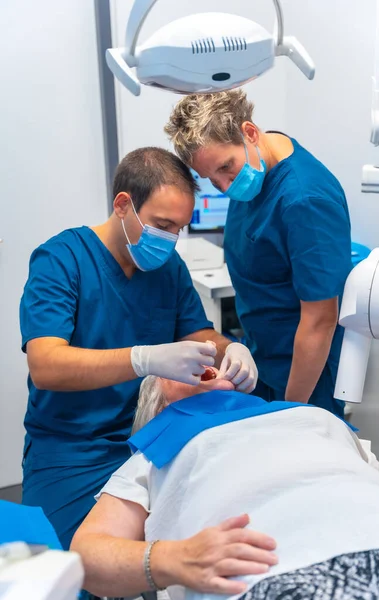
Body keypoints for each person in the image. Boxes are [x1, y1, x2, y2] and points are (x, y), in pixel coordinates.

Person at [19, 147, 258, 551]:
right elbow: (46, 365)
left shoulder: (167, 269)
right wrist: (141, 358)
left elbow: (198, 334)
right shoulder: (62, 260)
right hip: (71, 448)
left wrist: (229, 348)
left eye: (179, 228)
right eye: (162, 225)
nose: (170, 240)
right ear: (123, 205)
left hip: (152, 439)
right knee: (66, 569)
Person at [71, 370, 379, 600]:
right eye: (176, 366)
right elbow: (86, 554)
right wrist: (173, 559)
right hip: (278, 574)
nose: (205, 362)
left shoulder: (313, 416)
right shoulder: (154, 453)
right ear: (157, 405)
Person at [165, 89, 354, 417]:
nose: (225, 186)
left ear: (250, 133)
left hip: (303, 376)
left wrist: (292, 410)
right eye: (212, 179)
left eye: (227, 168)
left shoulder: (304, 200)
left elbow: (320, 320)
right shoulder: (256, 165)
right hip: (262, 358)